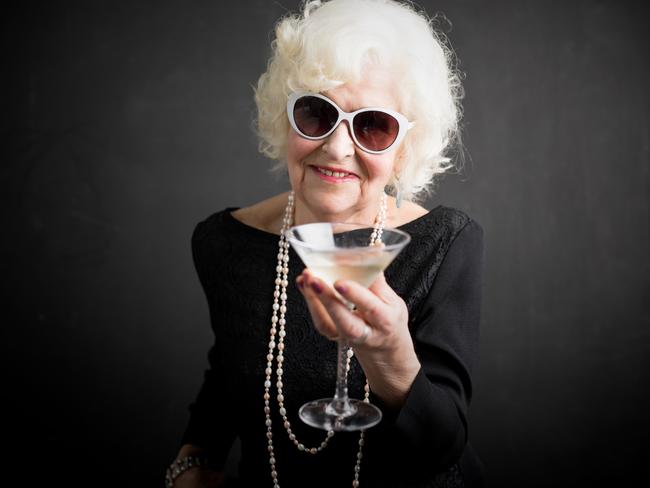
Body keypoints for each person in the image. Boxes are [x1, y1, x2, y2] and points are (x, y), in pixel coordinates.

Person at [166, 0, 485, 487]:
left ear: (404, 149)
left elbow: (443, 448)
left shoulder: (445, 244)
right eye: (316, 113)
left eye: (373, 125)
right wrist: (194, 457)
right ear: (284, 118)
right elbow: (229, 369)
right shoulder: (224, 242)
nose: (337, 148)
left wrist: (389, 358)